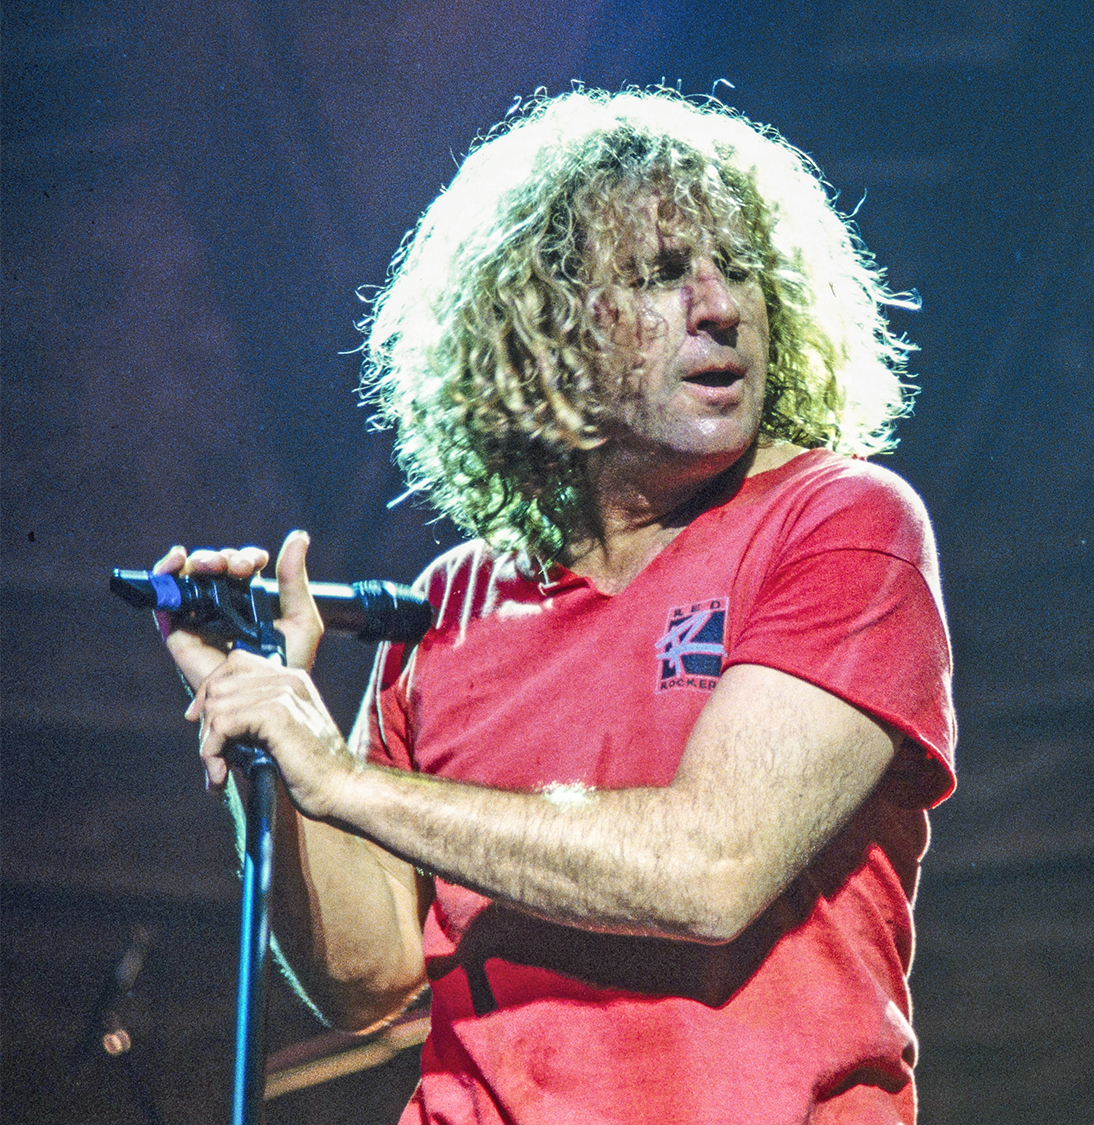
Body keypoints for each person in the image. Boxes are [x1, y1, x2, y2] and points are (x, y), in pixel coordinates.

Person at [153, 88, 954, 1124]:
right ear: (547, 334)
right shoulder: (449, 603)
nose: (720, 306)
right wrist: (264, 718)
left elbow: (710, 868)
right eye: (661, 276)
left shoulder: (839, 522)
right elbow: (365, 977)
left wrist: (347, 783)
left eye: (741, 269)